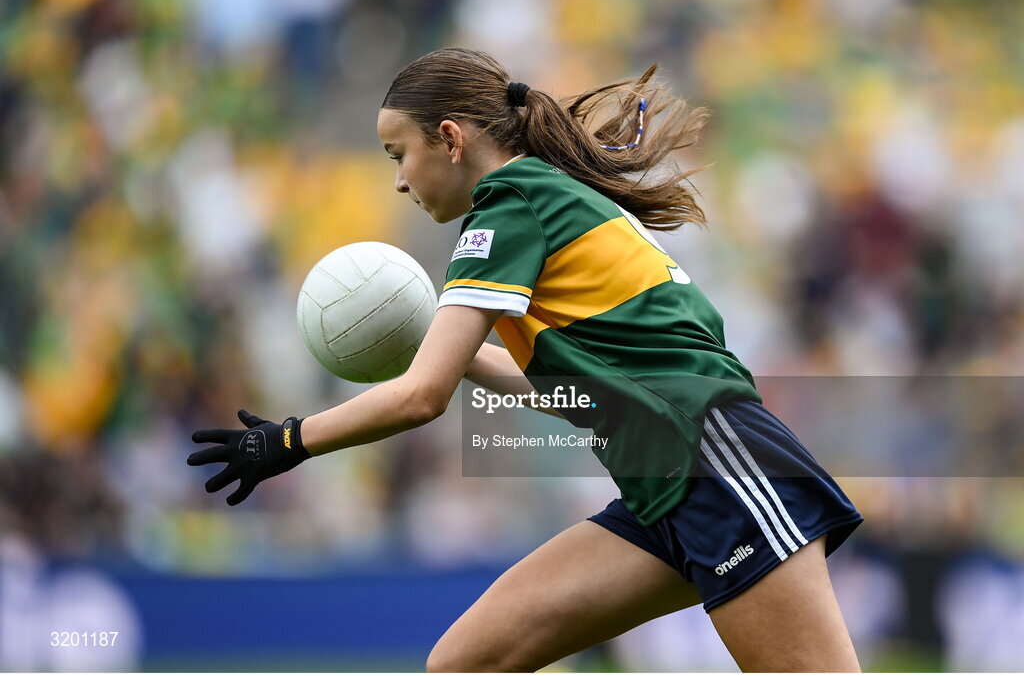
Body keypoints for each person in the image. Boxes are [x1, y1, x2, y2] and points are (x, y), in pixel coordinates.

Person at [188, 47, 864, 672]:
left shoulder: (510, 205)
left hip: (717, 465)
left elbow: (422, 396)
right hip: (664, 487)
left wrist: (286, 440)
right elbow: (575, 391)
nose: (398, 181)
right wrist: (459, 352)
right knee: (462, 662)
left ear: (450, 139)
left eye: (398, 154)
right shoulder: (540, 195)